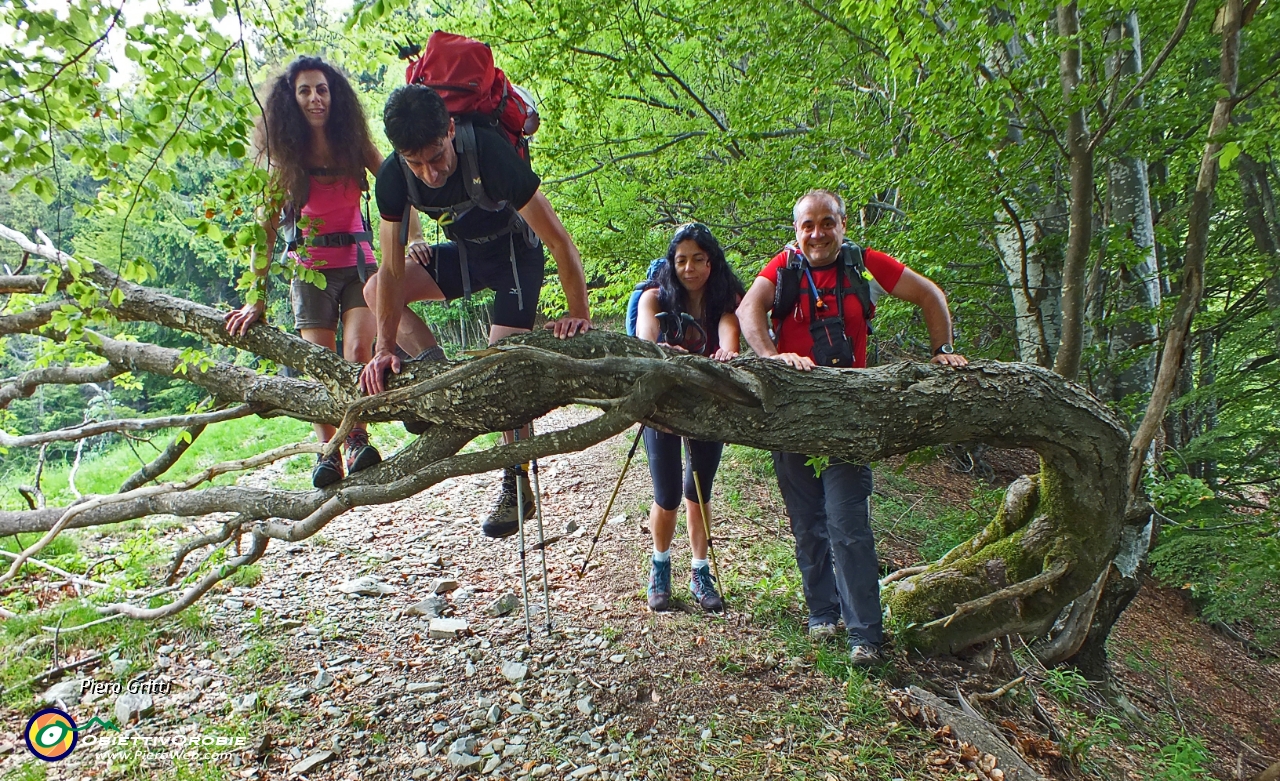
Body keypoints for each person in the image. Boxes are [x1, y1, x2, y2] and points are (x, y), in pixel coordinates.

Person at [737, 189, 968, 664]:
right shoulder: (782, 269)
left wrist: (943, 349)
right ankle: (822, 612)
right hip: (793, 414)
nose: (817, 233)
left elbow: (930, 295)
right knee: (807, 523)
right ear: (796, 230)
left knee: (849, 526)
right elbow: (747, 312)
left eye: (827, 223)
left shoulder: (864, 265)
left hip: (849, 415)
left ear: (843, 225)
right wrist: (773, 359)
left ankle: (865, 635)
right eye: (808, 225)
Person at [359, 84, 593, 539]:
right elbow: (389, 270)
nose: (429, 173)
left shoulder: (490, 153)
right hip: (466, 255)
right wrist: (384, 348)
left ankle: (516, 477)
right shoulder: (392, 177)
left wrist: (578, 310)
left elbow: (559, 241)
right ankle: (433, 369)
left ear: (450, 129)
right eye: (415, 163)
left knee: (501, 365)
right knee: (372, 289)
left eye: (436, 156)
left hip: (513, 258)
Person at [224, 56, 437, 489]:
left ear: (333, 94)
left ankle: (356, 440)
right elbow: (263, 232)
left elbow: (397, 184)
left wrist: (413, 236)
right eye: (305, 91)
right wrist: (255, 298)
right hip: (310, 273)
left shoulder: (352, 144)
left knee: (358, 351)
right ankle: (328, 452)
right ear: (291, 99)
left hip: (359, 266)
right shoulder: (284, 156)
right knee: (319, 364)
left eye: (321, 89)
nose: (315, 98)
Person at [634, 223, 744, 613]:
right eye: (681, 260)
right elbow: (649, 342)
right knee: (666, 496)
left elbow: (729, 342)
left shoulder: (724, 301)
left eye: (698, 259)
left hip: (706, 407)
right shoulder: (654, 297)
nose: (689, 268)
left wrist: (723, 355)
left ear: (711, 261)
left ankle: (700, 572)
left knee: (699, 492)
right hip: (661, 407)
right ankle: (659, 567)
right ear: (671, 263)